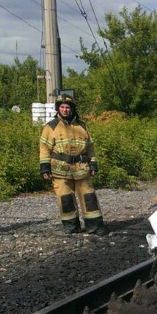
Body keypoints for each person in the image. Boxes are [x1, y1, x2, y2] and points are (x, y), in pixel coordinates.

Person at [39, 94, 109, 235]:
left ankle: (94, 226)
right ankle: (71, 227)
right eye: (62, 107)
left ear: (72, 109)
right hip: (60, 169)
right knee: (65, 199)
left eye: (67, 107)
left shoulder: (82, 126)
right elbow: (44, 148)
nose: (65, 110)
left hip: (81, 168)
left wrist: (93, 164)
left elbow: (90, 147)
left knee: (89, 197)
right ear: (58, 109)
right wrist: (44, 168)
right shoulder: (50, 127)